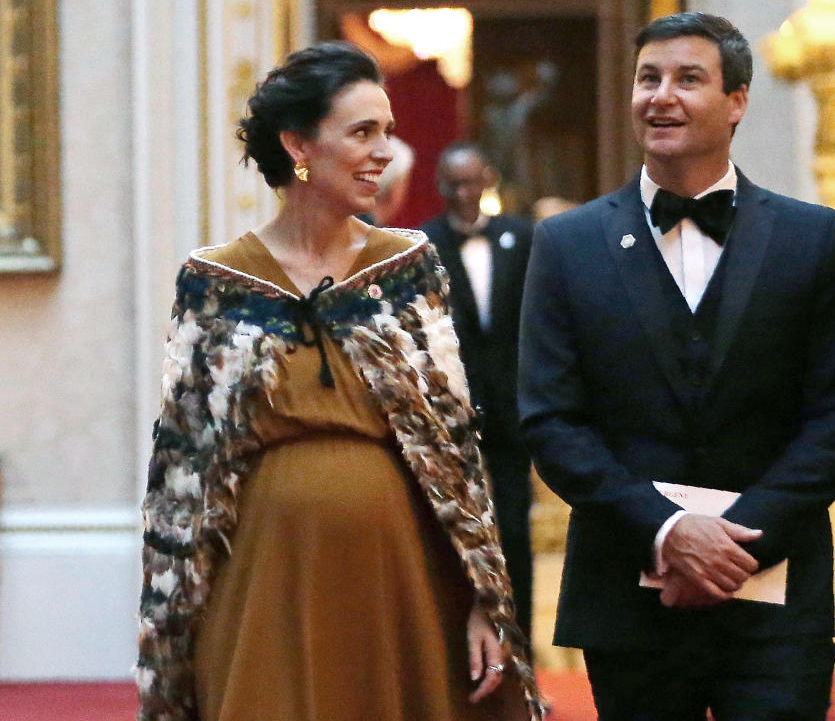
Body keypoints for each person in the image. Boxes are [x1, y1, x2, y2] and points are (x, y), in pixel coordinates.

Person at [135, 41, 543, 721]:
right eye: (363, 132)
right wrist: (177, 629)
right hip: (261, 583)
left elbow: (454, 451)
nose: (385, 151)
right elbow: (182, 473)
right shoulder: (213, 281)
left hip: (400, 582)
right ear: (298, 143)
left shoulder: (409, 265)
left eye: (387, 130)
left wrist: (483, 596)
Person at [518, 12, 835, 721]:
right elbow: (552, 419)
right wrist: (669, 534)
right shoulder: (567, 244)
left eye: (688, 78)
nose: (661, 96)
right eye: (648, 78)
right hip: (629, 590)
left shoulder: (815, 239)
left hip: (776, 596)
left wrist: (734, 544)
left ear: (737, 101)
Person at [422, 143, 535, 645]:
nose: (464, 193)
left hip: (512, 408)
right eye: (454, 184)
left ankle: (521, 650)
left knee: (515, 530)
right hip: (452, 410)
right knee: (455, 533)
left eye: (472, 181)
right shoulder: (422, 245)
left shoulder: (521, 236)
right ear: (441, 185)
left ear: (488, 178)